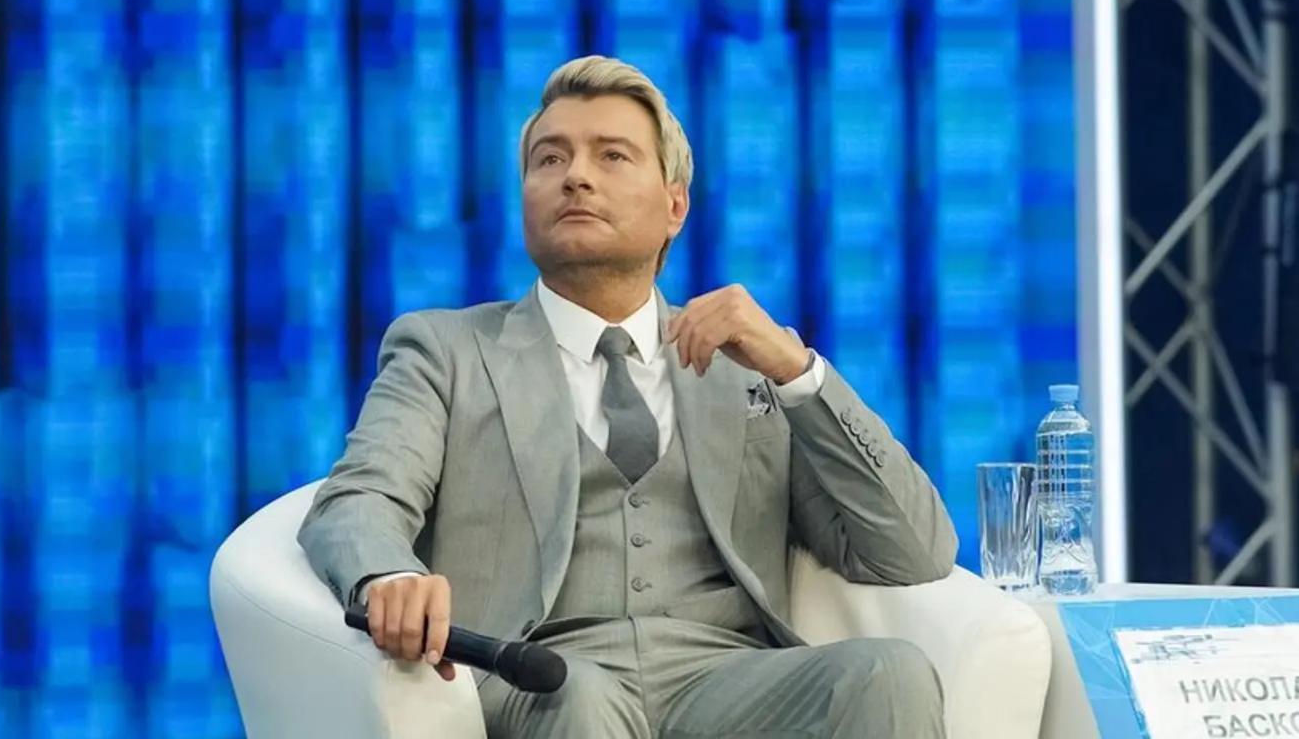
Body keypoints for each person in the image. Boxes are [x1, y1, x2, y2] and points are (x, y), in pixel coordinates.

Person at [298, 54, 958, 738]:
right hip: (538, 679)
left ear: (675, 206)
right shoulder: (445, 350)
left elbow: (912, 550)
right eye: (550, 159)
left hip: (727, 680)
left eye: (612, 156)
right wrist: (387, 578)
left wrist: (798, 372)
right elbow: (359, 499)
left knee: (890, 673)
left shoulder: (745, 367)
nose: (575, 176)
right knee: (580, 697)